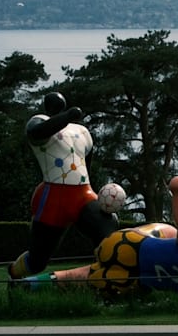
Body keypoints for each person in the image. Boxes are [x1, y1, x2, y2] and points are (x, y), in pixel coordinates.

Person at [41, 175, 178, 295]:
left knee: (92, 263)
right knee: (87, 275)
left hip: (128, 246)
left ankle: (30, 284)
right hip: (132, 280)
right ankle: (34, 285)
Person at [8, 91, 116, 280]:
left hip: (84, 195)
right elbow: (37, 132)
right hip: (53, 199)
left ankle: (108, 278)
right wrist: (67, 117)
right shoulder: (38, 122)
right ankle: (14, 273)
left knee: (108, 230)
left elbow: (85, 163)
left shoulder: (81, 132)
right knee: (37, 260)